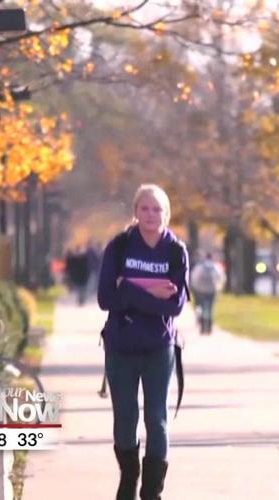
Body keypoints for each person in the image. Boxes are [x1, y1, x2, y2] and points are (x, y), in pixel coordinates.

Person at [98, 184, 188, 500]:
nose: (151, 215)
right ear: (135, 212)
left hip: (159, 347)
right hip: (121, 346)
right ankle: (128, 479)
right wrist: (150, 293)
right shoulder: (120, 247)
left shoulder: (175, 250)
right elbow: (106, 298)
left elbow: (175, 306)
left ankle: (152, 491)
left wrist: (130, 291)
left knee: (156, 419)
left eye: (157, 209)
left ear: (166, 214)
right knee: (125, 418)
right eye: (145, 208)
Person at [190, 252, 225, 334]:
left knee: (201, 307)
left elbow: (194, 277)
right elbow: (221, 278)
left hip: (201, 290)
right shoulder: (216, 266)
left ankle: (202, 326)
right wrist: (218, 288)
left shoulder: (199, 267)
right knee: (210, 308)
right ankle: (209, 327)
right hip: (212, 290)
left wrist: (196, 288)